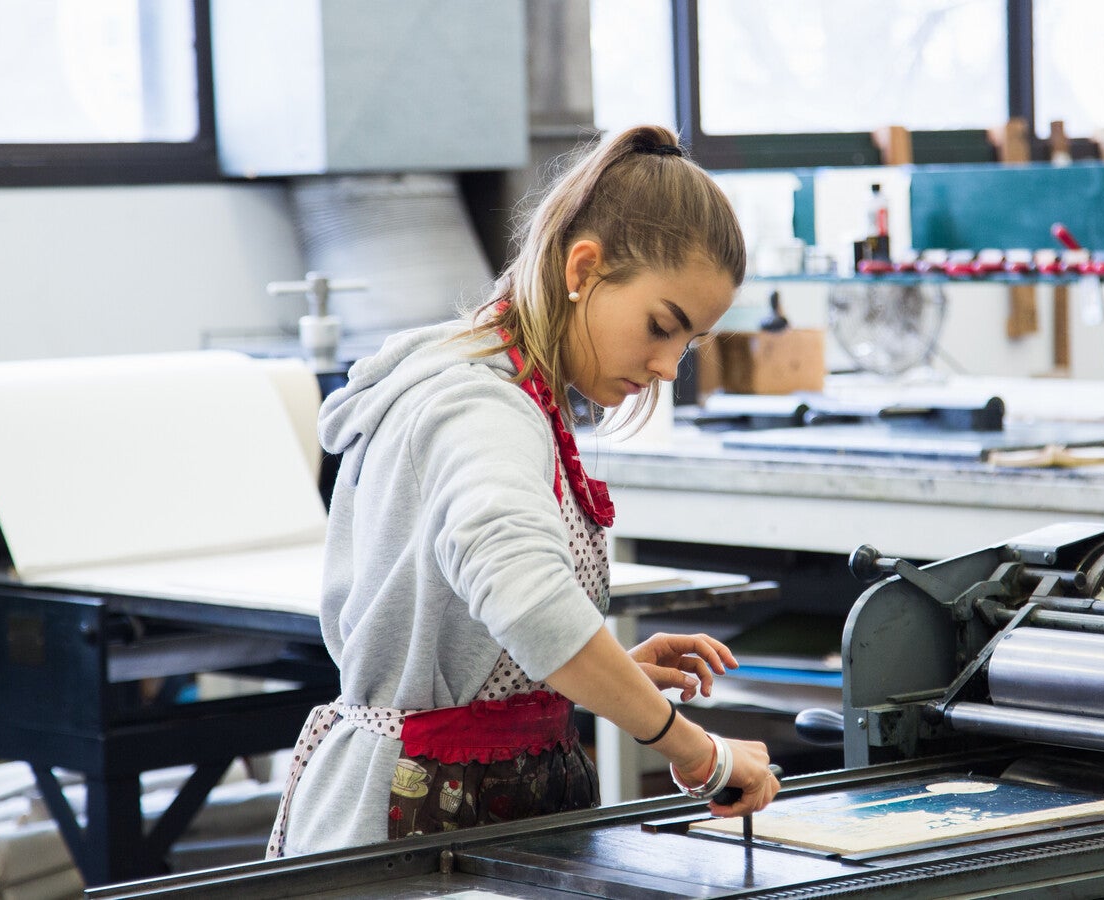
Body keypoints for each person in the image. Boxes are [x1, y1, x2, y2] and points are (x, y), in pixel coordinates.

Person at [267, 124, 780, 857]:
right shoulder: (482, 405)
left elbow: (484, 635)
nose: (669, 367)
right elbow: (524, 592)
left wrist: (602, 677)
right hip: (416, 818)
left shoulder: (519, 392)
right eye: (661, 326)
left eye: (688, 344)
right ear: (584, 267)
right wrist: (696, 751)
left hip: (479, 797)